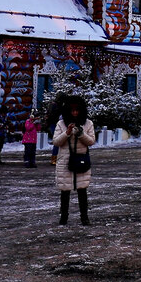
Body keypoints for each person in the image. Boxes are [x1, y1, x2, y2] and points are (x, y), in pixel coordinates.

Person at [53, 95, 95, 226]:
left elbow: (91, 141)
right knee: (65, 191)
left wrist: (81, 134)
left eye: (77, 110)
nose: (75, 113)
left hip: (81, 159)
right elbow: (56, 142)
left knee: (82, 190)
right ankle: (63, 217)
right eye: (72, 110)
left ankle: (84, 217)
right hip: (65, 160)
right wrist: (67, 133)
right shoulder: (61, 124)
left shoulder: (88, 123)